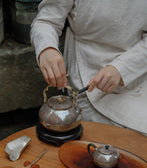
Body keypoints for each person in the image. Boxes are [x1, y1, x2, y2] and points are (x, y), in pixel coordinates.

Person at [31, 0, 147, 136]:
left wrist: (122, 69)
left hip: (138, 68)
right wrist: (47, 49)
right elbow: (46, 21)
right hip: (89, 76)